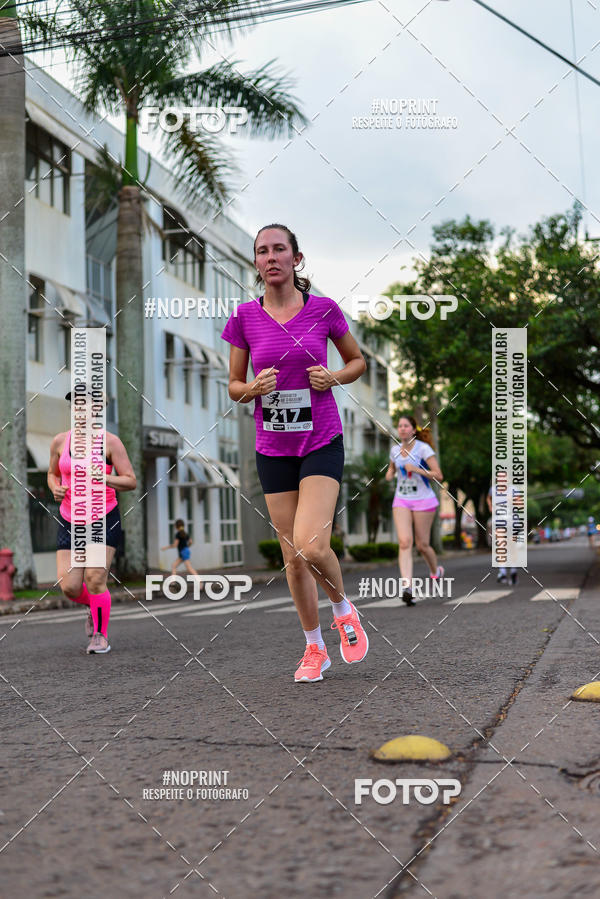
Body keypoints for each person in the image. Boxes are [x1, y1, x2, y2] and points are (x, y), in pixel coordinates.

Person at [220, 222, 369, 683]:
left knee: (311, 543)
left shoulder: (323, 310)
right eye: (262, 251)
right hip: (273, 447)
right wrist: (252, 388)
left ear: (295, 259)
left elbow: (357, 361)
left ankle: (343, 610)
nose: (270, 257)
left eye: (279, 249)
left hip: (321, 440)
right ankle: (313, 648)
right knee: (292, 555)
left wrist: (333, 377)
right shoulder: (244, 317)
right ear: (257, 263)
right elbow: (233, 387)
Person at [48, 387, 136, 653]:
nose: (79, 411)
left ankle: (100, 635)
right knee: (70, 587)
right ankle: (92, 604)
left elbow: (131, 480)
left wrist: (105, 477)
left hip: (102, 516)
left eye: (85, 406)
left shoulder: (110, 442)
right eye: (75, 406)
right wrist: (54, 487)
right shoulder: (61, 441)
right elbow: (51, 473)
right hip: (70, 518)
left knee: (96, 577)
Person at [385, 415, 443, 606]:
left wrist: (417, 470)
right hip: (402, 499)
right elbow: (392, 469)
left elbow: (438, 475)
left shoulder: (423, 449)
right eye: (399, 426)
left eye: (406, 426)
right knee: (404, 542)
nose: (402, 429)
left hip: (424, 501)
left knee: (422, 545)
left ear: (413, 429)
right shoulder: (394, 450)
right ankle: (407, 587)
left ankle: (436, 571)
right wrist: (389, 473)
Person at [486, 486, 517, 585]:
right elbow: (488, 498)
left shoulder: (513, 489)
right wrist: (490, 506)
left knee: (512, 546)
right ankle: (502, 572)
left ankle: (513, 571)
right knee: (500, 545)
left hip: (511, 520)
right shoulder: (493, 489)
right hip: (498, 520)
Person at [162, 519, 203, 585]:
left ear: (176, 526)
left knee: (189, 568)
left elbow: (175, 545)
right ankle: (173, 582)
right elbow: (191, 542)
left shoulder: (178, 534)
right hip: (185, 551)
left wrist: (166, 548)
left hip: (183, 552)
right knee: (174, 565)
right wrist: (187, 547)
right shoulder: (185, 533)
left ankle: (200, 581)